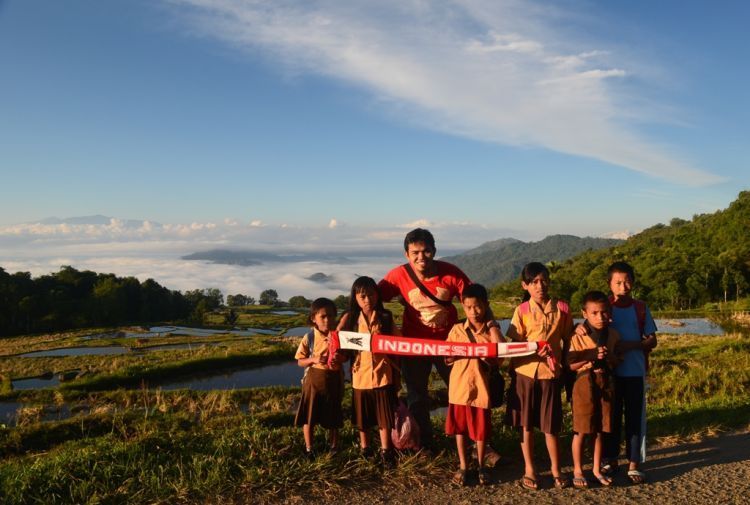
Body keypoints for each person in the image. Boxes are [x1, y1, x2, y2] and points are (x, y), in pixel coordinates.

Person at [378, 228, 502, 453]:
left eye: (426, 251)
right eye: (415, 252)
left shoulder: (451, 274)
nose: (420, 257)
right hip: (414, 346)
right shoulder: (398, 275)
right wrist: (381, 326)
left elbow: (477, 301)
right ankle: (423, 444)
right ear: (406, 254)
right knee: (417, 396)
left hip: (451, 345)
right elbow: (374, 298)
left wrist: (490, 327)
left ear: (434, 251)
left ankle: (478, 444)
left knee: (466, 392)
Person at [505, 262, 573, 490]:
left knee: (550, 425)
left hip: (551, 373)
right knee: (525, 425)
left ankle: (556, 469)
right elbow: (515, 343)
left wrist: (566, 366)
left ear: (549, 281)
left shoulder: (562, 309)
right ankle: (530, 469)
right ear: (525, 286)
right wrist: (533, 348)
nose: (540, 286)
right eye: (534, 282)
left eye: (543, 280)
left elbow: (569, 340)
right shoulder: (521, 311)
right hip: (525, 373)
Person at [595, 261, 657, 484]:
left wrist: (629, 345)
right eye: (618, 282)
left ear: (633, 282)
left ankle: (634, 463)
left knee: (634, 418)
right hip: (610, 374)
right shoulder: (605, 307)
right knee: (609, 418)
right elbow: (590, 326)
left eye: (627, 281)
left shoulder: (640, 307)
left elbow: (652, 340)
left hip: (635, 372)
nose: (623, 286)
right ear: (609, 284)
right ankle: (610, 459)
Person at [337, 276, 400, 468]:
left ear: (377, 295)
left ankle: (386, 451)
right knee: (363, 419)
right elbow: (339, 343)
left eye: (371, 295)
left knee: (384, 417)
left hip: (383, 374)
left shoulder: (386, 317)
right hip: (360, 376)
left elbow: (399, 344)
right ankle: (365, 449)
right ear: (355, 297)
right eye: (362, 296)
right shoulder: (350, 318)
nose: (367, 300)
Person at [444, 284, 502, 486]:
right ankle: (463, 466)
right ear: (463, 307)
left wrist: (493, 326)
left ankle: (481, 466)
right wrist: (454, 355)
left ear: (486, 305)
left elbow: (500, 354)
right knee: (459, 430)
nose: (473, 312)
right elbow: (447, 359)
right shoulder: (457, 329)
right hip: (459, 389)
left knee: (480, 431)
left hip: (481, 389)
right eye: (468, 307)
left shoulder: (490, 331)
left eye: (477, 307)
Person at [567, 291, 622, 488]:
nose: (600, 317)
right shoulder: (577, 334)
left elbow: (618, 359)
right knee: (581, 430)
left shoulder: (614, 335)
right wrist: (592, 355)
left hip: (606, 382)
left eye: (604, 312)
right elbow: (571, 365)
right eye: (595, 313)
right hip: (584, 383)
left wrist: (609, 358)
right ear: (585, 313)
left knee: (600, 430)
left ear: (610, 312)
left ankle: (597, 469)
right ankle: (578, 470)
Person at [294, 297, 344, 459]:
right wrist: (314, 360)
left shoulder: (339, 336)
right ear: (313, 319)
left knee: (334, 415)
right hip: (313, 382)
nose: (327, 319)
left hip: (334, 380)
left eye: (331, 315)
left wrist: (340, 359)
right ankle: (309, 448)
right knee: (309, 416)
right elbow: (300, 361)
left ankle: (334, 447)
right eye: (323, 316)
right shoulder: (309, 338)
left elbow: (347, 356)